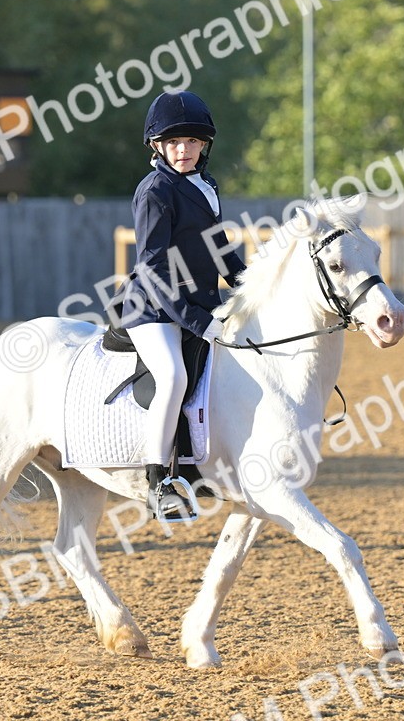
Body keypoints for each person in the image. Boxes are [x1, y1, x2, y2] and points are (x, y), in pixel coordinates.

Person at [117, 90, 247, 521]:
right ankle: (158, 483)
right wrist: (197, 320)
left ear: (204, 144)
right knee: (173, 377)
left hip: (199, 302)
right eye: (174, 142)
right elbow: (153, 268)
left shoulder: (206, 185)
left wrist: (249, 288)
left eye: (192, 141)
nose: (183, 150)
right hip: (154, 309)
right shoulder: (154, 191)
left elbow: (218, 246)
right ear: (157, 145)